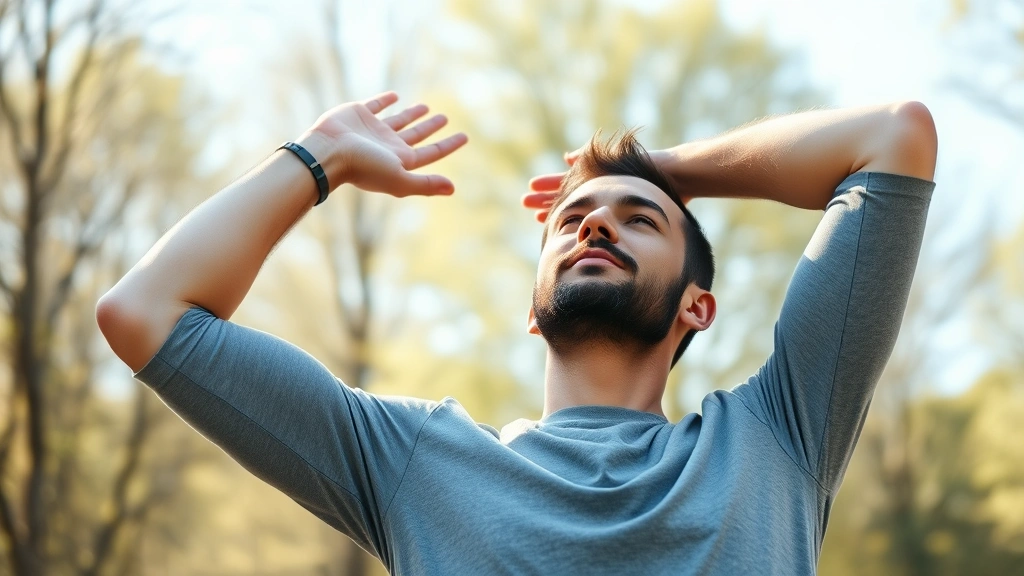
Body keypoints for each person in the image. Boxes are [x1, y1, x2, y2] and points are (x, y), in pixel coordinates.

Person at [96, 91, 937, 575]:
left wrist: (653, 167)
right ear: (532, 312)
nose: (595, 226)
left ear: (697, 307)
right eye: (570, 222)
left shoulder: (778, 436)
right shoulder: (413, 463)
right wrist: (320, 156)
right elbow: (145, 314)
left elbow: (894, 138)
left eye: (639, 221)